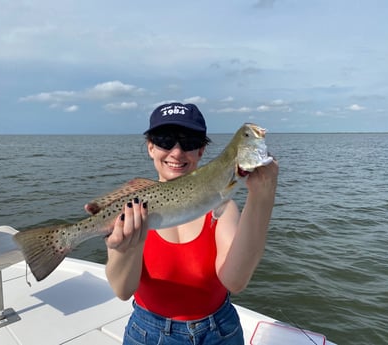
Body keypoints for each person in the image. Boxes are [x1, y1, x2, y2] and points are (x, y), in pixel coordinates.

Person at [87, 102, 278, 344]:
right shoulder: (133, 209)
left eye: (188, 142)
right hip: (148, 333)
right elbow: (123, 291)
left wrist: (262, 196)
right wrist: (127, 247)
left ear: (201, 151)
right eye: (165, 140)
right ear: (150, 148)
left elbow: (235, 281)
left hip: (219, 331)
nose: (176, 152)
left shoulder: (222, 208)